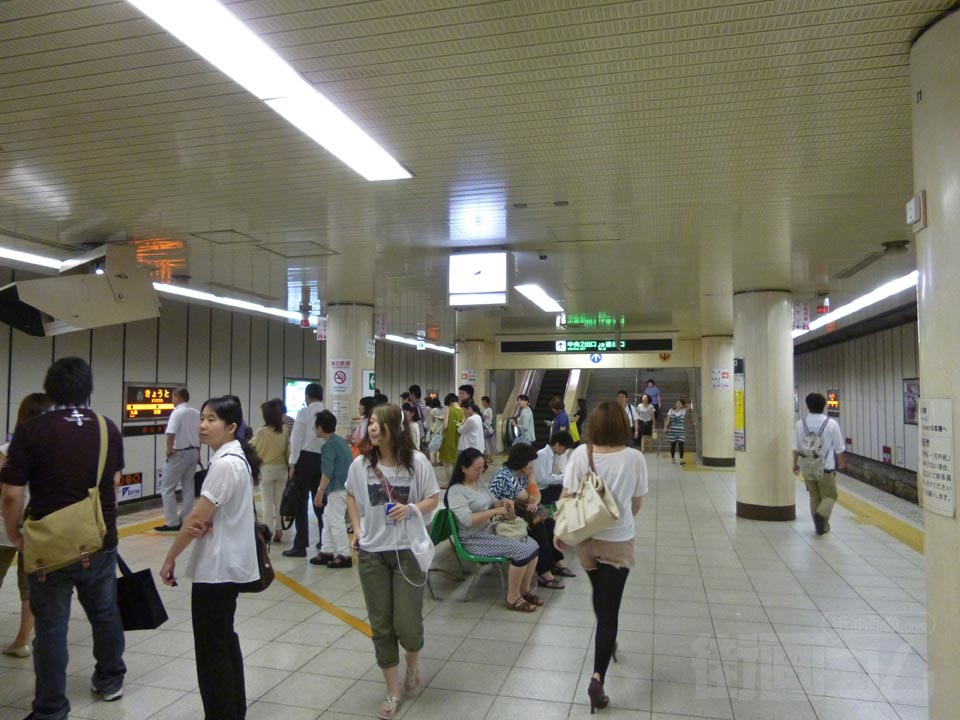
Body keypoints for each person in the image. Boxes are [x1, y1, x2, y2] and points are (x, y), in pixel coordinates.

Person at [1, 357, 126, 718]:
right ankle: (110, 680)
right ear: (88, 389)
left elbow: (11, 494)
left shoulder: (31, 431)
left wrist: (15, 533)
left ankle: (51, 707)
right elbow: (114, 484)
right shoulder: (107, 428)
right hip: (99, 539)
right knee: (104, 612)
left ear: (49, 388)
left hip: (47, 544)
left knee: (52, 625)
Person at [160, 395, 262, 720]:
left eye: (212, 420)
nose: (203, 425)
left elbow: (194, 520)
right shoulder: (235, 459)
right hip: (227, 567)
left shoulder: (225, 464)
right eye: (202, 418)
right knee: (223, 641)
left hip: (216, 570)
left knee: (211, 649)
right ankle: (233, 710)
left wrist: (170, 557)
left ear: (231, 427)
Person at [346, 404, 440, 720]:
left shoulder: (417, 462)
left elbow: (433, 498)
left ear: (394, 428)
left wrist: (411, 509)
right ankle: (392, 691)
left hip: (408, 552)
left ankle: (413, 661)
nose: (372, 428)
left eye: (378, 423)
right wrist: (357, 529)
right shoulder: (360, 464)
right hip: (372, 553)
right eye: (370, 422)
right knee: (381, 625)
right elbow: (349, 495)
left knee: (407, 622)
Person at [556, 400, 647, 713]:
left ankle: (606, 641)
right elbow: (636, 502)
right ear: (624, 424)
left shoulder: (583, 453)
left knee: (599, 595)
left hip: (586, 540)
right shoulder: (634, 458)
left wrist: (560, 532)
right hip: (618, 541)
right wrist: (620, 519)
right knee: (611, 612)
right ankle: (597, 678)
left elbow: (566, 496)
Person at [446, 448, 541, 612]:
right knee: (521, 551)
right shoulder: (456, 491)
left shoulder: (478, 483)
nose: (480, 472)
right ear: (463, 468)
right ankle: (512, 596)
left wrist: (503, 504)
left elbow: (492, 501)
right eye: (476, 469)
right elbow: (468, 520)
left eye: (482, 468)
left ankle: (524, 589)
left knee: (532, 545)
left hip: (488, 533)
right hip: (473, 540)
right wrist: (496, 511)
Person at [0, 392, 51, 659]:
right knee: (28, 586)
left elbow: (6, 493)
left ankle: (20, 642)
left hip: (4, 528)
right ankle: (22, 640)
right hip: (38, 529)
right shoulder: (55, 454)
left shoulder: (9, 451)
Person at [489, 443, 566, 589]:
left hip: (519, 511)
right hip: (505, 518)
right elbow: (531, 497)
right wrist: (531, 478)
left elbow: (536, 497)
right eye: (530, 462)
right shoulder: (505, 476)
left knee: (549, 519)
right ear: (523, 462)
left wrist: (534, 499)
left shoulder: (518, 474)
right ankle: (544, 572)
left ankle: (553, 562)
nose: (532, 465)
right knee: (539, 525)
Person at [793, 393, 847, 535]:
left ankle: (820, 526)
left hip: (808, 467)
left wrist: (795, 465)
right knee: (830, 495)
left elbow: (796, 447)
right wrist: (841, 462)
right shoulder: (831, 423)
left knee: (814, 497)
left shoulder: (800, 424)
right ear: (824, 406)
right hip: (826, 468)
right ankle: (821, 516)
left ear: (807, 406)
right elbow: (839, 447)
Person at [283, 383, 326, 558]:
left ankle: (300, 545)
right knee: (321, 500)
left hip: (305, 459)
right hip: (322, 459)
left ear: (307, 396)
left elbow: (296, 440)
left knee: (301, 500)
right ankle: (325, 541)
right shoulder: (327, 413)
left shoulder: (304, 412)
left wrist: (292, 464)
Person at [312, 410, 355, 567]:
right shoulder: (340, 441)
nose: (314, 429)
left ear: (321, 428)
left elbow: (327, 472)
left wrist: (319, 491)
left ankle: (345, 555)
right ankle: (326, 550)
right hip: (345, 486)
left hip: (337, 488)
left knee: (335, 521)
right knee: (328, 518)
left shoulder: (329, 446)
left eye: (315, 426)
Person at [155, 387, 201, 532]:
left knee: (167, 488)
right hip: (193, 452)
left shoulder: (177, 413)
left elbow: (170, 434)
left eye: (173, 397)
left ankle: (172, 522)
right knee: (188, 487)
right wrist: (198, 453)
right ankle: (186, 518)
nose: (172, 400)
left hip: (179, 453)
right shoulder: (196, 413)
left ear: (178, 397)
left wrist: (169, 451)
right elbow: (201, 434)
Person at [251, 399, 289, 543]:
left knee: (267, 502)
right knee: (279, 501)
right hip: (282, 469)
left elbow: (252, 448)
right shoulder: (284, 429)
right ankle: (279, 529)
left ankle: (268, 531)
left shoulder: (261, 432)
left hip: (266, 469)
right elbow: (287, 449)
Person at [533, 431, 575, 505]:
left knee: (568, 489)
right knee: (565, 496)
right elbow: (540, 479)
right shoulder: (542, 455)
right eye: (564, 448)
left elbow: (548, 475)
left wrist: (562, 477)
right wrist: (560, 479)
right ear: (557, 444)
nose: (564, 452)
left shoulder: (551, 455)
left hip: (545, 488)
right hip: (540, 492)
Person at [438, 393, 463, 470]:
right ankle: (455, 480)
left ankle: (449, 481)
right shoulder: (462, 410)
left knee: (447, 462)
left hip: (448, 437)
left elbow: (445, 425)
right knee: (455, 461)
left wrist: (440, 432)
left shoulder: (449, 409)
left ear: (450, 401)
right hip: (458, 437)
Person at [664, 399, 688, 464]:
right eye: (677, 403)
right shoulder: (671, 411)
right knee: (673, 445)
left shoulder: (683, 411)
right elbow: (668, 420)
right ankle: (673, 458)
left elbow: (690, 406)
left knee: (681, 444)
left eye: (680, 403)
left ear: (682, 405)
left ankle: (681, 459)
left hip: (681, 431)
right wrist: (665, 427)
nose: (678, 404)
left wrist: (684, 404)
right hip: (672, 430)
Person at [425, 396, 444, 465]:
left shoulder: (434, 410)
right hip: (443, 428)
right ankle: (441, 460)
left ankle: (435, 461)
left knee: (434, 444)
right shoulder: (443, 409)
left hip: (435, 428)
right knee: (441, 444)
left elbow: (433, 419)